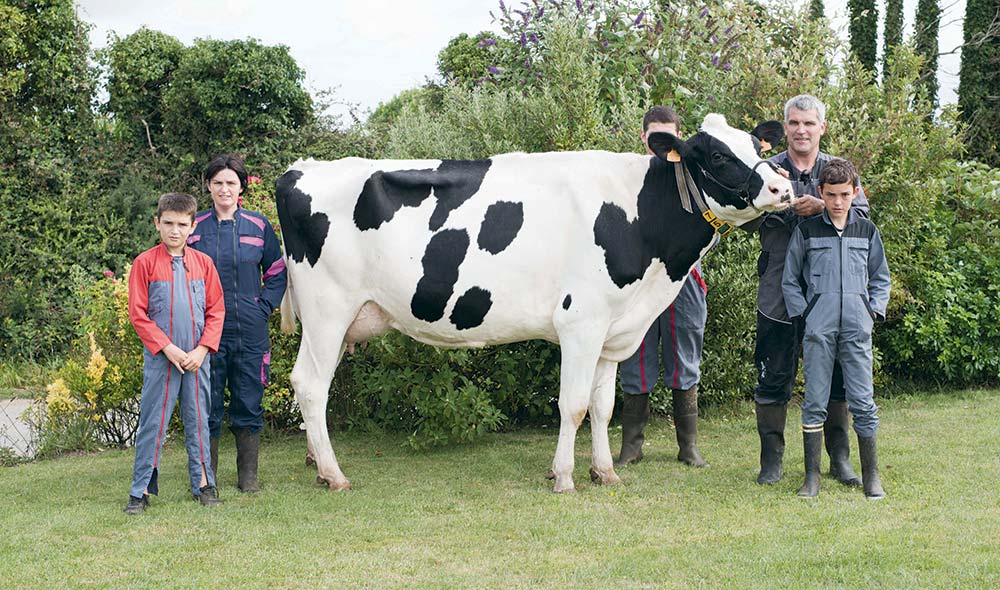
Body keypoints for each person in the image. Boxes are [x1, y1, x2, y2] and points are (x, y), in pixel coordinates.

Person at [753, 95, 870, 486]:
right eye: (794, 123)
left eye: (808, 123)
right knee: (773, 376)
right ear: (784, 128)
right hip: (777, 289)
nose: (801, 130)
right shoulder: (768, 169)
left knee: (836, 378)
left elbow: (864, 216)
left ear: (822, 127)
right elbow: (744, 215)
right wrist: (781, 205)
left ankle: (839, 460)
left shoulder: (837, 171)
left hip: (830, 291)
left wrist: (822, 205)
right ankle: (771, 463)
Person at [782, 158, 890, 499]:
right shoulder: (806, 230)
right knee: (814, 400)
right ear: (821, 193)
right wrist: (806, 314)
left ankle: (872, 476)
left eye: (845, 194)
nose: (838, 202)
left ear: (855, 193)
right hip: (819, 329)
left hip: (858, 329)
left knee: (863, 401)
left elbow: (881, 277)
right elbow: (789, 281)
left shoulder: (867, 230)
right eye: (831, 195)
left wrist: (873, 310)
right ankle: (811, 477)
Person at [616, 106, 709, 469]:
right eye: (655, 135)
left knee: (685, 355)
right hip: (636, 277)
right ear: (643, 137)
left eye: (668, 136)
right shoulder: (627, 175)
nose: (661, 142)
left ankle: (688, 447)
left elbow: (713, 223)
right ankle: (631, 446)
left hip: (683, 277)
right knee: (634, 355)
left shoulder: (693, 175)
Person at [189, 155, 287, 493]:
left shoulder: (258, 226)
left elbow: (276, 272)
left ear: (242, 186)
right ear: (208, 186)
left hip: (251, 329)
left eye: (231, 182)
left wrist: (263, 308)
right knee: (208, 404)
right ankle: (207, 480)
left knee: (248, 401)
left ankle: (249, 478)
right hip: (206, 333)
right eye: (218, 183)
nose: (224, 189)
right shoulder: (194, 228)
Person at [125, 192, 225, 514]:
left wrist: (202, 349)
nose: (175, 231)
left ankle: (204, 484)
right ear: (157, 223)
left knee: (199, 422)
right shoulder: (144, 264)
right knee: (153, 423)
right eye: (168, 223)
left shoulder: (204, 264)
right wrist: (167, 348)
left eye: (182, 224)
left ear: (193, 226)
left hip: (197, 360)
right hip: (161, 360)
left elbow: (216, 311)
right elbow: (138, 314)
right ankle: (140, 491)